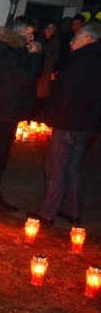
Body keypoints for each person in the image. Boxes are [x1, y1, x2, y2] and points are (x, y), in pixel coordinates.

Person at [29, 22, 101, 225]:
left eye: (75, 38)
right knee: (75, 165)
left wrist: (48, 114)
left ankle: (47, 212)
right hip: (87, 123)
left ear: (88, 39)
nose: (71, 42)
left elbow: (65, 94)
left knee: (57, 167)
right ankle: (72, 209)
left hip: (69, 120)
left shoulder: (80, 62)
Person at [0, 17, 44, 212]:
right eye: (29, 33)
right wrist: (35, 56)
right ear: (18, 32)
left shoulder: (10, 50)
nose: (31, 37)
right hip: (3, 112)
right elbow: (26, 78)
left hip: (6, 110)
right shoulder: (9, 52)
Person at [34, 22, 60, 112]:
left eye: (52, 28)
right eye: (48, 27)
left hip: (49, 70)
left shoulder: (56, 41)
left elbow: (56, 56)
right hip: (39, 68)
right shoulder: (38, 40)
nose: (49, 30)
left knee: (44, 92)